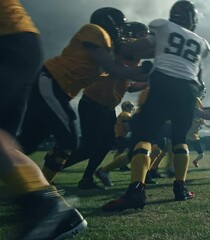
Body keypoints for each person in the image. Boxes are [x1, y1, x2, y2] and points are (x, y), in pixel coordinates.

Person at [102, 1, 210, 211]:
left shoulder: (164, 26)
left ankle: (135, 191)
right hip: (189, 88)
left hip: (164, 81)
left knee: (143, 136)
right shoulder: (202, 42)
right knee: (179, 138)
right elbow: (199, 72)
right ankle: (180, 188)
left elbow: (139, 47)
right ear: (193, 20)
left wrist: (117, 45)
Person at [17, 7, 150, 184]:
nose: (121, 31)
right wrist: (147, 69)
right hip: (51, 81)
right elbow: (115, 69)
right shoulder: (95, 31)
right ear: (110, 23)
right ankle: (41, 186)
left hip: (63, 91)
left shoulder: (110, 47)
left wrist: (153, 74)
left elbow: (126, 75)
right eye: (119, 27)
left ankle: (43, 183)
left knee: (28, 142)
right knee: (69, 139)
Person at [0, 1, 87, 238]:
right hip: (20, 43)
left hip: (9, 43)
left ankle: (44, 207)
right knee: (6, 143)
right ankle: (61, 214)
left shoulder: (97, 36)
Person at [62, 22, 150, 190]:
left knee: (105, 144)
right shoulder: (121, 48)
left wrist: (149, 82)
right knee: (89, 146)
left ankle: (87, 178)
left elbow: (129, 85)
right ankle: (50, 170)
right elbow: (117, 70)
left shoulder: (133, 56)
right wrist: (144, 73)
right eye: (142, 36)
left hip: (107, 105)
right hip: (93, 101)